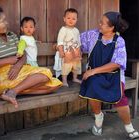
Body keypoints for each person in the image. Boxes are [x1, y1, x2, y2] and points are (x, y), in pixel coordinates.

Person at [79, 11, 139, 139]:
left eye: (103, 23)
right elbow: (76, 42)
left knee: (119, 96)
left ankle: (128, 126)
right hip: (94, 75)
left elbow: (117, 63)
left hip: (114, 75)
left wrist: (92, 71)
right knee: (92, 87)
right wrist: (66, 48)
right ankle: (98, 116)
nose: (99, 24)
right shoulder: (92, 35)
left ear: (112, 27)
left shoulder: (119, 41)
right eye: (100, 21)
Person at [0, 7, 62, 108]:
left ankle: (12, 92)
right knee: (47, 79)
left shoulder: (11, 35)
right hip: (3, 75)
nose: (6, 23)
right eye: (3, 21)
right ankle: (11, 92)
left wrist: (17, 66)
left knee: (53, 85)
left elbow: (23, 53)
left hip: (19, 70)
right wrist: (8, 60)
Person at [53, 8, 82, 87]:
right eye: (68, 18)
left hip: (75, 51)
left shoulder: (76, 30)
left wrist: (79, 51)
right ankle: (64, 80)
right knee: (66, 66)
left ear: (76, 20)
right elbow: (60, 41)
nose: (71, 20)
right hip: (67, 52)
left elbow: (78, 42)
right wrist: (61, 51)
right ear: (64, 19)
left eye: (73, 18)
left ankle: (74, 78)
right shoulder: (63, 30)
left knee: (76, 66)